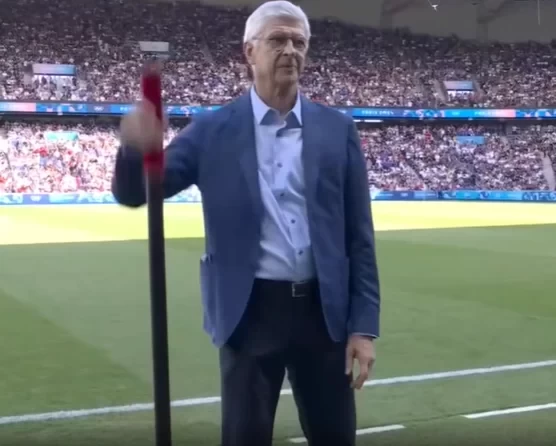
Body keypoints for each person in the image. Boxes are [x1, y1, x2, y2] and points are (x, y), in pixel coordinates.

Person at [112, 1, 381, 444]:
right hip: (249, 313)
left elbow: (359, 236)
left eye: (299, 42)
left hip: (323, 317)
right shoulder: (212, 131)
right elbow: (136, 193)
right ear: (249, 53)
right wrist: (133, 149)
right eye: (277, 40)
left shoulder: (337, 129)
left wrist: (364, 328)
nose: (290, 50)